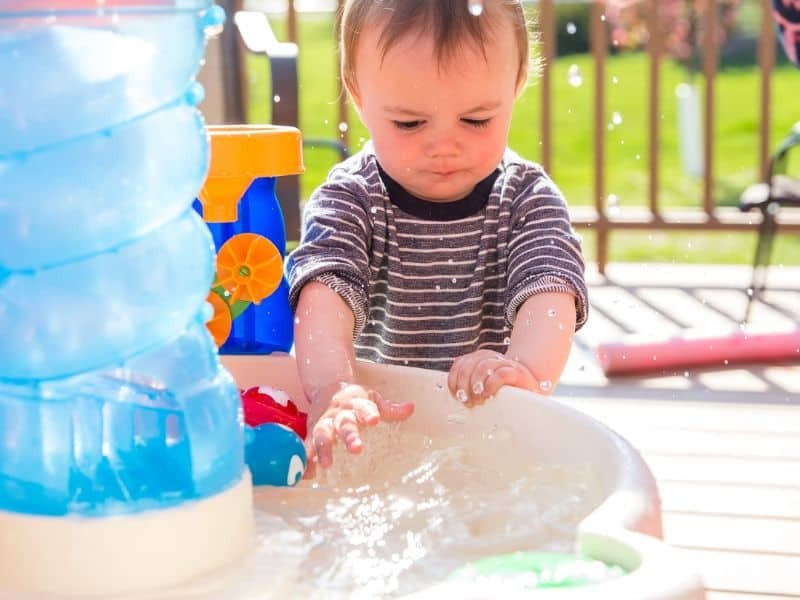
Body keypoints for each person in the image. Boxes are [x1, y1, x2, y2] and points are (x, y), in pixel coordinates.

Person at [286, 0, 588, 473]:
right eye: (409, 123)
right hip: (379, 428)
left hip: (489, 428)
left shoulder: (526, 199)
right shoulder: (352, 198)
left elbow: (551, 293)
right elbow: (324, 296)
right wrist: (334, 387)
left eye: (476, 120)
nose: (444, 145)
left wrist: (525, 368)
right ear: (359, 95)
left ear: (516, 84)